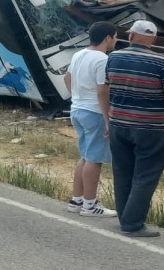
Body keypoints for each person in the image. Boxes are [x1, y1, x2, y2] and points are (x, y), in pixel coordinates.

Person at [106, 20, 164, 237]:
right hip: (151, 128)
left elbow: (107, 84)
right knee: (145, 176)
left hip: (119, 124)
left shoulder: (114, 57)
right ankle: (132, 225)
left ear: (131, 36)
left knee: (123, 173)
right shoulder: (163, 62)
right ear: (154, 39)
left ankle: (125, 218)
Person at [63, 21, 118, 217]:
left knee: (85, 156)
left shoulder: (78, 54)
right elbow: (103, 90)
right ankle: (90, 205)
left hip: (77, 109)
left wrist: (76, 97)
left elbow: (66, 78)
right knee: (95, 159)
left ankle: (76, 200)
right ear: (108, 38)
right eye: (116, 36)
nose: (116, 41)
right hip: (94, 112)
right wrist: (108, 119)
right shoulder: (103, 59)